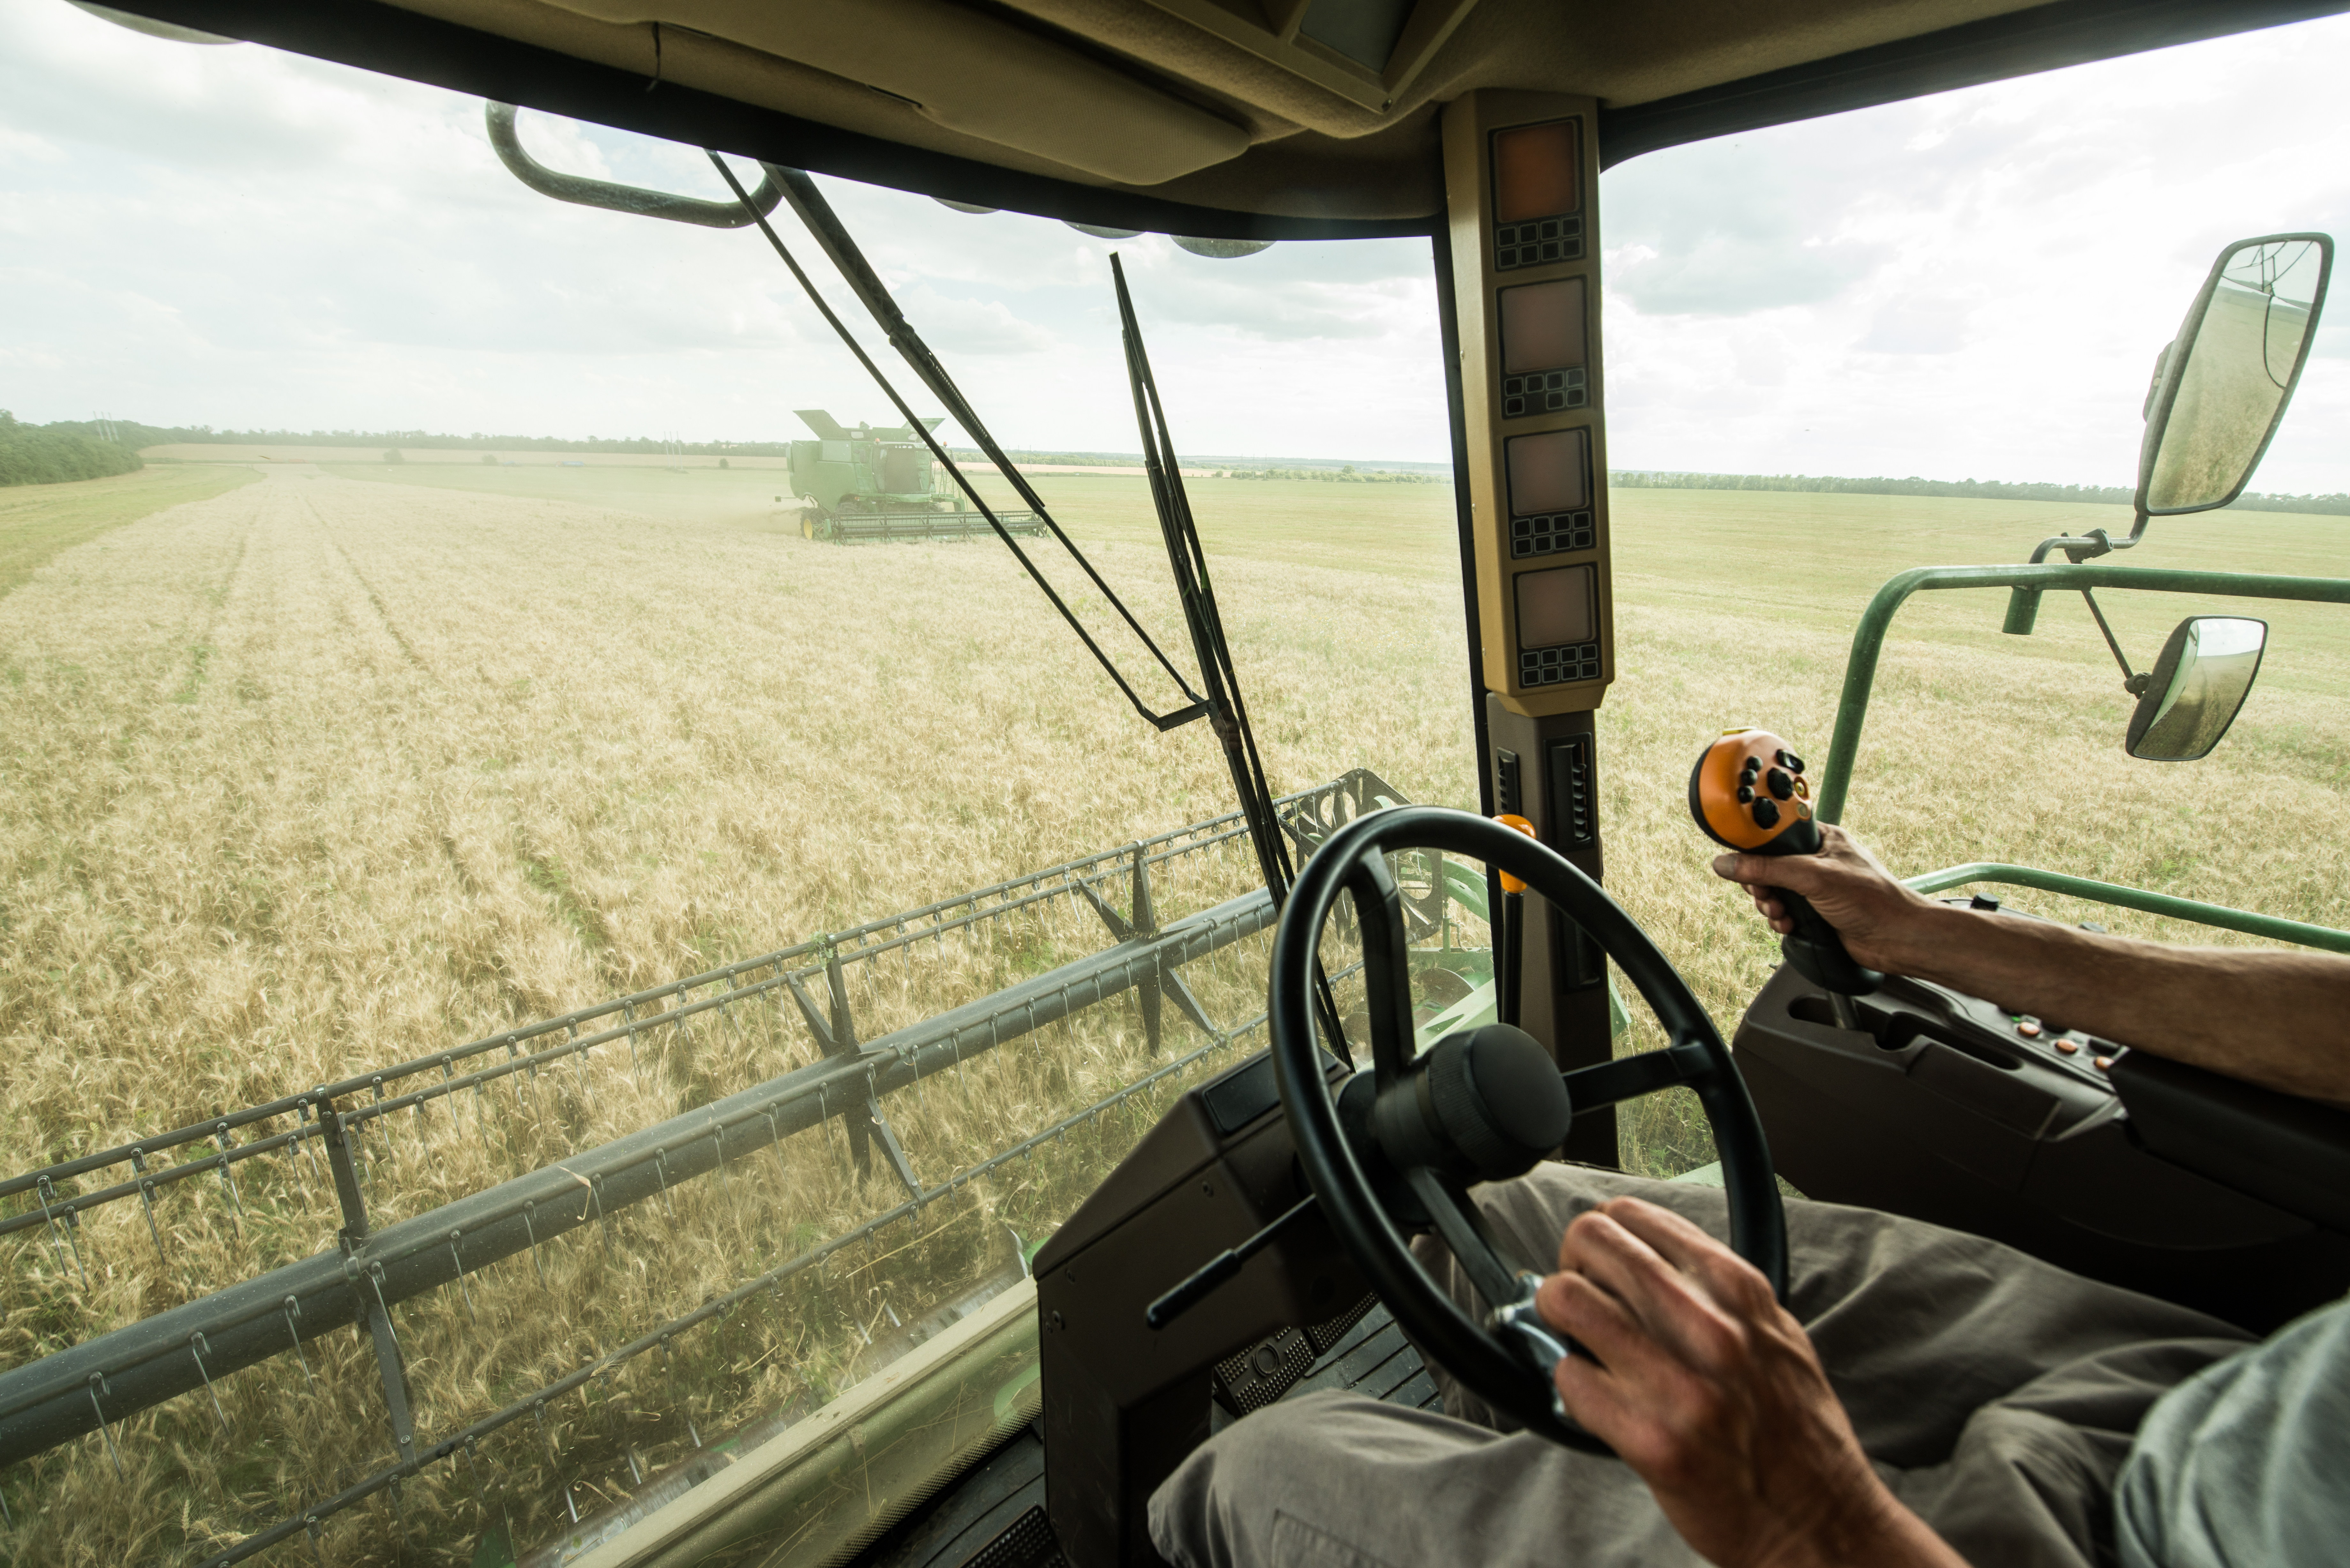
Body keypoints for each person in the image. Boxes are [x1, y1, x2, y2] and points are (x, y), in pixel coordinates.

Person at [1150, 825, 2350, 1568]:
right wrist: (1921, 936)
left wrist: (1805, 1526)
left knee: (1262, 1471)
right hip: (2212, 1390)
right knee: (1556, 1216)